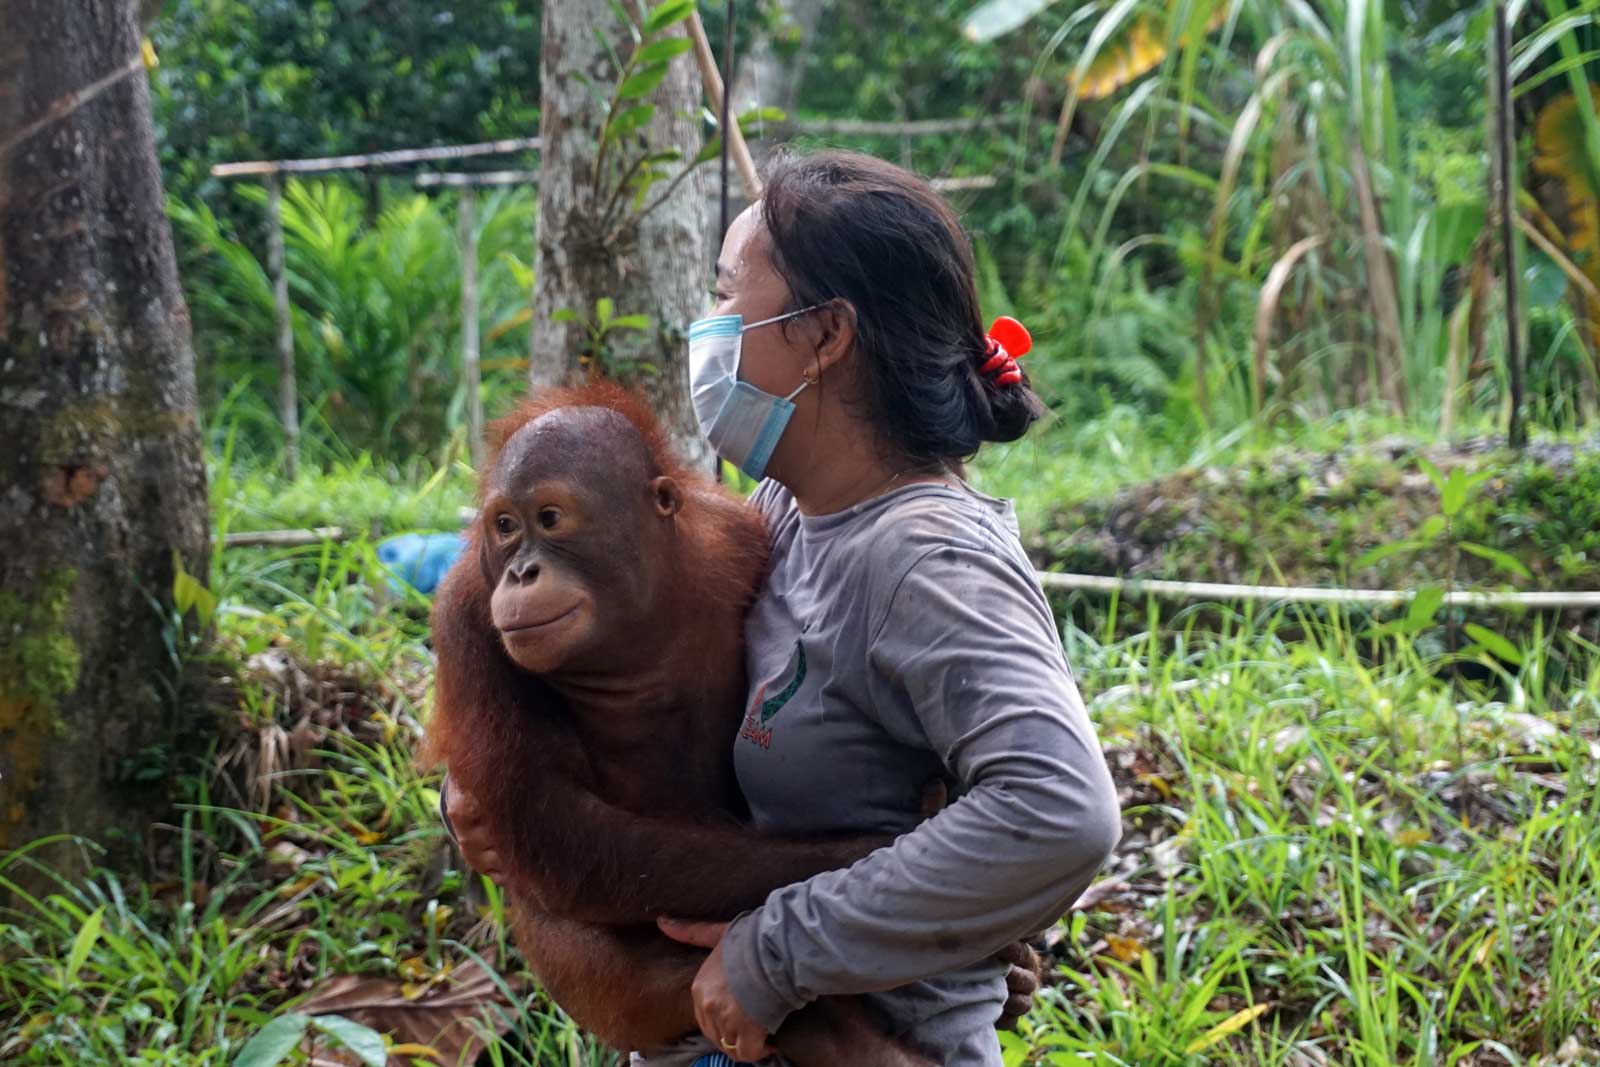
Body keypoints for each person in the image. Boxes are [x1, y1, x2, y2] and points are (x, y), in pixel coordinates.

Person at [642, 149, 1121, 1066]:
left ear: (825, 334)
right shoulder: (788, 508)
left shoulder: (922, 558)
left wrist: (780, 949)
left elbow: (1061, 808)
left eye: (727, 293)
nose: (707, 328)